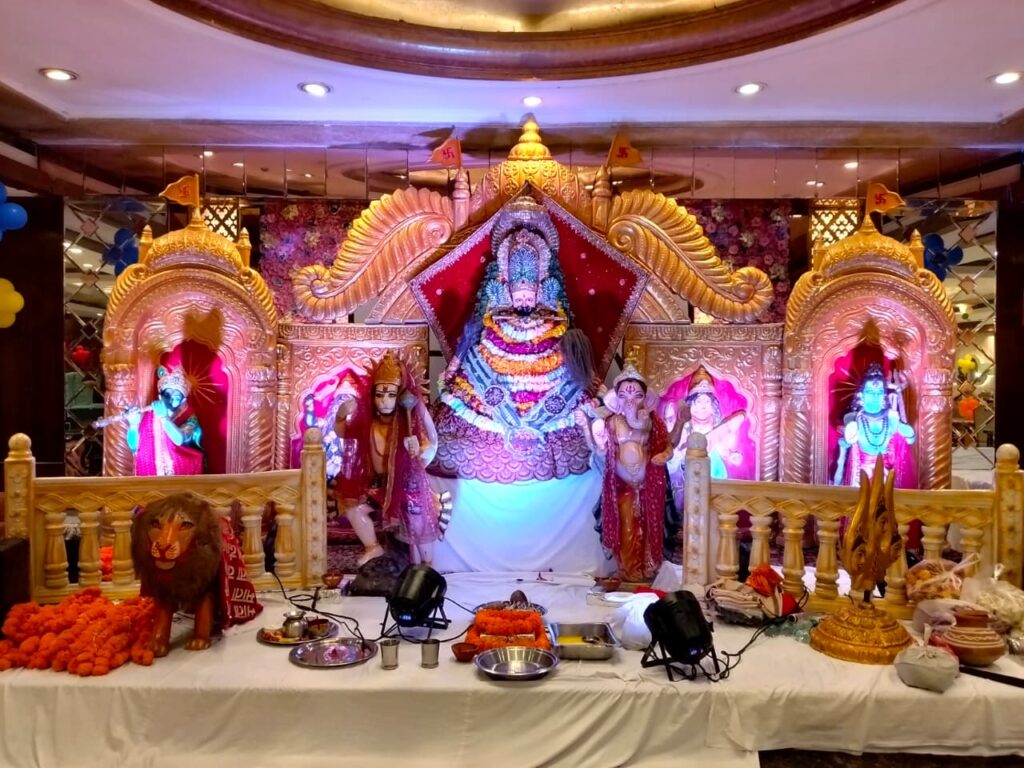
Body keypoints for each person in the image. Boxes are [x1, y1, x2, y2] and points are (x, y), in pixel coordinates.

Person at [432, 196, 592, 482]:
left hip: (549, 367)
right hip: (495, 363)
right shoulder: (495, 313)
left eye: (529, 297)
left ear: (540, 291)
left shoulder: (552, 316)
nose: (524, 304)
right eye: (519, 298)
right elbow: (477, 341)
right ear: (506, 291)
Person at [334, 351, 441, 567]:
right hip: (378, 486)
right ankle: (373, 547)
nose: (384, 401)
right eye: (380, 395)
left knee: (417, 524)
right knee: (354, 511)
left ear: (400, 395)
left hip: (406, 486)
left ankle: (427, 566)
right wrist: (341, 415)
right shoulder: (369, 422)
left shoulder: (409, 422)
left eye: (391, 395)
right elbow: (343, 433)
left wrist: (418, 450)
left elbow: (431, 444)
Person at [578, 362, 671, 582]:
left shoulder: (653, 422)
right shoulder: (611, 422)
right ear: (616, 399)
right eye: (624, 396)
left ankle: (647, 568)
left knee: (649, 527)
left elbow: (667, 445)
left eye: (637, 396)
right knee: (627, 528)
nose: (630, 401)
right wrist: (585, 427)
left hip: (648, 487)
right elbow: (599, 451)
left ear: (645, 399)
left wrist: (665, 455)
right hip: (622, 487)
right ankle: (628, 571)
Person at [833, 363, 916, 488]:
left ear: (884, 396)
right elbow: (846, 444)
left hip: (887, 480)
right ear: (861, 395)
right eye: (870, 392)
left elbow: (910, 439)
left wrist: (907, 432)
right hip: (860, 481)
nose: (875, 396)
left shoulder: (891, 419)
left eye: (879, 392)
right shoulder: (855, 423)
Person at [126, 365, 204, 476]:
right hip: (150, 471)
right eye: (167, 395)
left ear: (183, 401)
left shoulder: (189, 416)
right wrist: (133, 425)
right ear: (160, 397)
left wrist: (164, 418)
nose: (170, 399)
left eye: (176, 396)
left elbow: (179, 439)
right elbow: (134, 446)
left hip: (180, 470)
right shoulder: (149, 415)